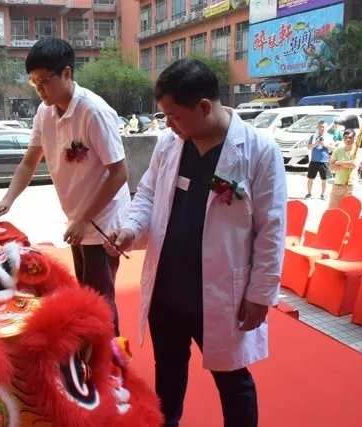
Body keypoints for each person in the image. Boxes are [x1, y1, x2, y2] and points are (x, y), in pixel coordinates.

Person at [104, 59, 286, 427]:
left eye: (174, 116)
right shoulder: (171, 144)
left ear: (203, 106)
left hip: (219, 291)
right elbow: (148, 194)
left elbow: (272, 229)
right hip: (168, 285)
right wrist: (130, 228)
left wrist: (260, 294)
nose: (169, 124)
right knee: (168, 370)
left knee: (232, 379)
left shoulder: (259, 151)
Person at [0, 38, 130, 334]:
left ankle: (112, 356)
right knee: (86, 293)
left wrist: (84, 219)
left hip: (103, 220)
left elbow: (119, 173)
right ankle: (92, 352)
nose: (39, 90)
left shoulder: (93, 112)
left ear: (66, 73)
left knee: (99, 299)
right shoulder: (45, 112)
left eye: (44, 82)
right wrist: (8, 199)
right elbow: (29, 162)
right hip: (77, 219)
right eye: (34, 83)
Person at [328, 129, 362, 209]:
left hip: (350, 186)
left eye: (350, 137)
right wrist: (346, 164)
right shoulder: (337, 150)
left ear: (355, 138)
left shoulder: (359, 151)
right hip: (337, 185)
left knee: (349, 211)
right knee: (332, 211)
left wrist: (338, 162)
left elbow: (353, 164)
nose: (348, 139)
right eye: (345, 137)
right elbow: (331, 167)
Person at [305, 120, 335, 200]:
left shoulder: (329, 137)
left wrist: (324, 144)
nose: (322, 128)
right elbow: (308, 147)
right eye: (320, 127)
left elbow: (333, 148)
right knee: (310, 178)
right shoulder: (313, 136)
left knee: (324, 179)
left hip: (324, 161)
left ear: (326, 128)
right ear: (317, 127)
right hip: (314, 160)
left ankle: (323, 194)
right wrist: (316, 143)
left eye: (323, 127)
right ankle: (309, 193)